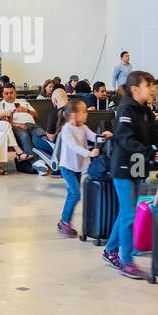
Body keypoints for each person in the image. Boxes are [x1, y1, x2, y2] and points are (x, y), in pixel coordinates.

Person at [104, 71, 158, 279]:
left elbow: (156, 133)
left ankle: (110, 250)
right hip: (123, 168)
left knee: (127, 212)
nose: (152, 90)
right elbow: (127, 140)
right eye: (148, 86)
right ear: (135, 89)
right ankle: (126, 260)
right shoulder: (126, 109)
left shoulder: (144, 109)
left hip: (137, 166)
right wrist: (154, 154)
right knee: (129, 215)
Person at [56, 98, 102, 237]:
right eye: (84, 111)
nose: (87, 114)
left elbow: (93, 136)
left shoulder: (83, 127)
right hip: (67, 167)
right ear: (74, 115)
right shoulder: (66, 129)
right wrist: (90, 153)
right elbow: (74, 147)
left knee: (72, 194)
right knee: (75, 194)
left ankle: (63, 221)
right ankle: (65, 221)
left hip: (77, 167)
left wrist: (102, 136)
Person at [0, 83, 50, 166]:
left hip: (31, 124)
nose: (9, 95)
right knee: (24, 136)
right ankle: (36, 162)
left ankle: (53, 156)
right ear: (2, 94)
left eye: (11, 92)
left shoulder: (23, 101)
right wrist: (17, 124)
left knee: (41, 137)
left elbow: (36, 115)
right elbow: (3, 122)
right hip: (15, 127)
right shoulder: (1, 105)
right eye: (6, 93)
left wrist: (26, 110)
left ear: (15, 92)